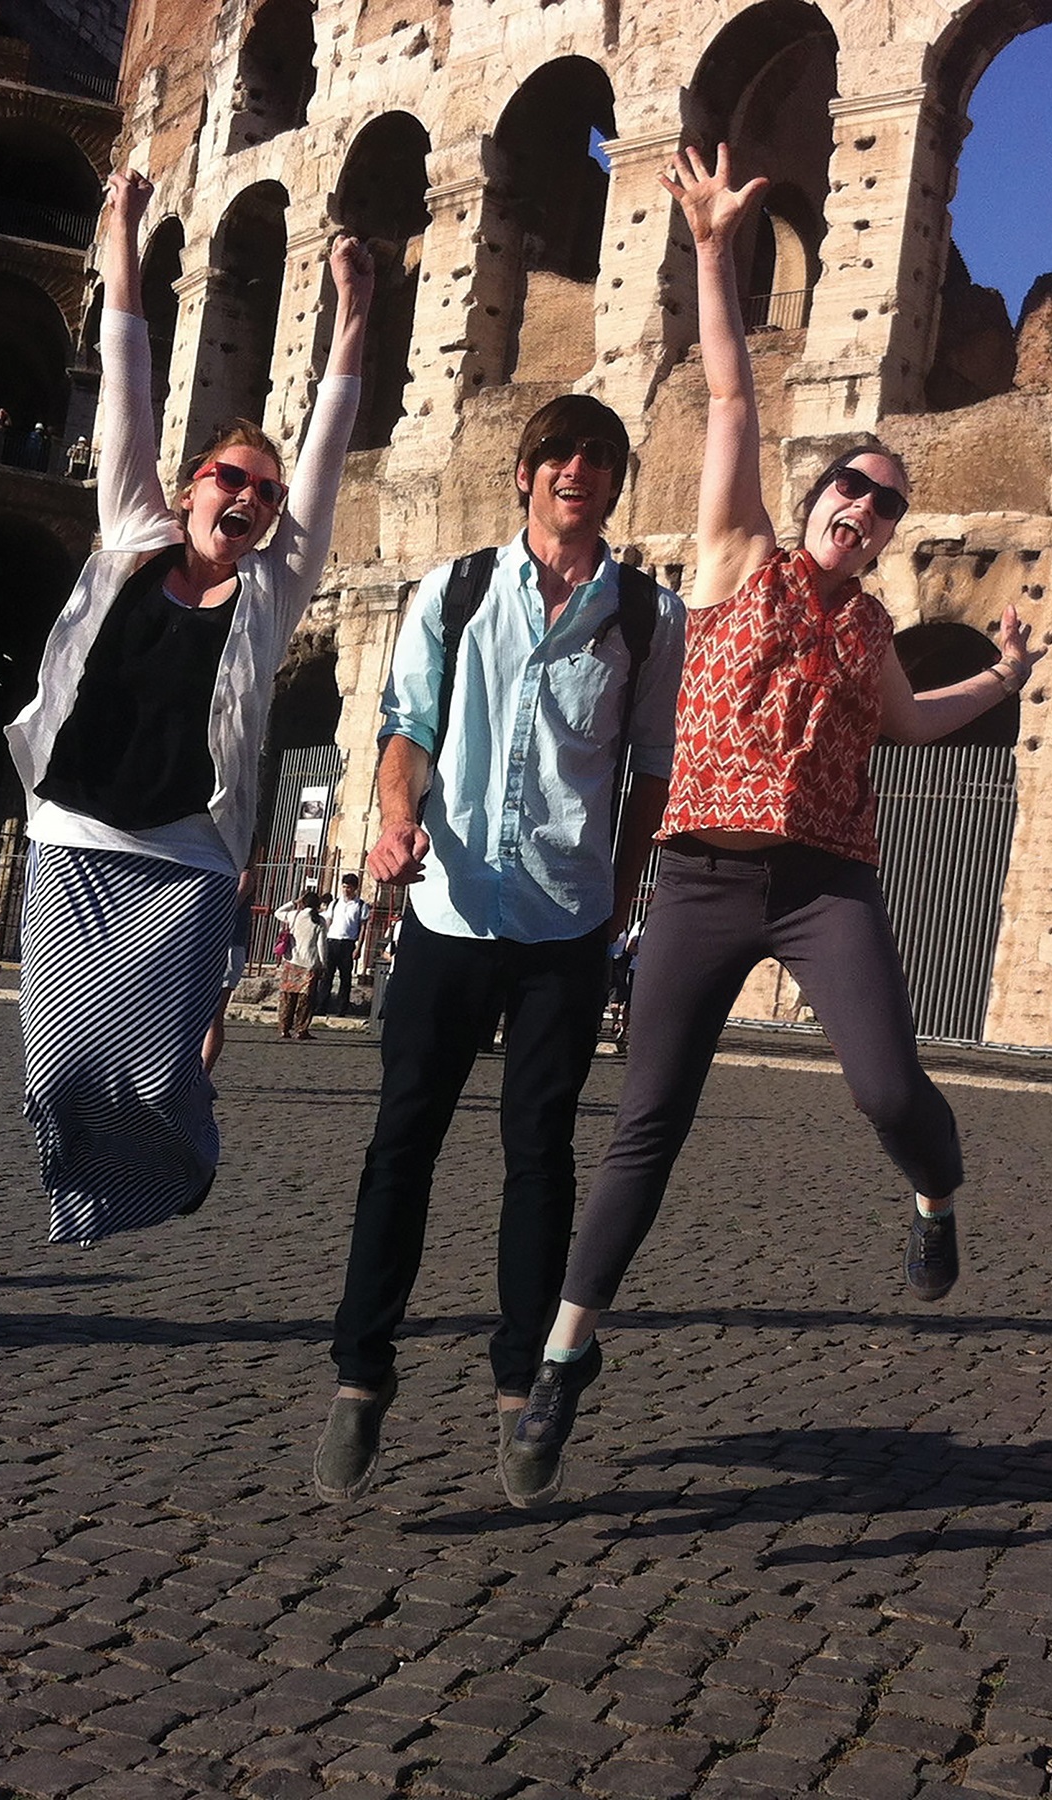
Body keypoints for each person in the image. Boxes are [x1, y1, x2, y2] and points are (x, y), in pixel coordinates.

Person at [499, 143, 1041, 1510]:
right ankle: (566, 1354)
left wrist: (1008, 678)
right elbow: (733, 387)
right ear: (812, 502)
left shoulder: (867, 635)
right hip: (694, 878)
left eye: (887, 505)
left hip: (824, 881)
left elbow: (915, 729)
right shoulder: (735, 551)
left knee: (885, 1089)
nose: (864, 511)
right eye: (850, 491)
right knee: (646, 1126)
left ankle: (933, 1197)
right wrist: (716, 248)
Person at [312, 389, 687, 1508]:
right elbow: (408, 731)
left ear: (618, 482)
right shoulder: (455, 590)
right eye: (559, 454)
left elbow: (652, 774)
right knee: (401, 1148)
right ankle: (360, 1378)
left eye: (599, 458)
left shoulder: (647, 620)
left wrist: (618, 899)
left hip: (565, 925)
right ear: (526, 474)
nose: (578, 470)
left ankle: (521, 1384)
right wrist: (392, 816)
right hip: (451, 912)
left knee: (542, 1161)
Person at [7, 167, 371, 1244]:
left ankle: (181, 1163)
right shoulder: (129, 535)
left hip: (186, 857)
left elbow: (327, 455)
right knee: (61, 1062)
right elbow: (127, 375)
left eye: (262, 492)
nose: (251, 500)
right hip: (74, 833)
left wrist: (352, 316)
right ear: (190, 484)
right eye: (231, 479)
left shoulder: (273, 589)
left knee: (162, 1066)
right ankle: (89, 1193)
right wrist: (121, 232)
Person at [204, 869, 256, 1073]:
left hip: (228, 946)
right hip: (221, 946)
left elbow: (229, 905)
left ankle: (203, 1072)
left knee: (214, 1016)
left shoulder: (243, 876)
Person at [274, 888, 327, 1039]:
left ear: (303, 903)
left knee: (287, 997)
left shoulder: (294, 915)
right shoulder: (319, 920)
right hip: (309, 963)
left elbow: (277, 912)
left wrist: (293, 902)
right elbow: (321, 945)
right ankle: (301, 1029)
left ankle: (284, 1028)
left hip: (292, 961)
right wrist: (323, 963)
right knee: (306, 1000)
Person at [320, 871, 370, 1016]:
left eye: (349, 887)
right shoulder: (335, 903)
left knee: (345, 978)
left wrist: (358, 947)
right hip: (332, 941)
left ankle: (342, 1008)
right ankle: (322, 1006)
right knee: (327, 976)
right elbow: (328, 922)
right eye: (344, 887)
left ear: (355, 888)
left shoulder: (360, 905)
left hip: (348, 944)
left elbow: (363, 927)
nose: (346, 890)